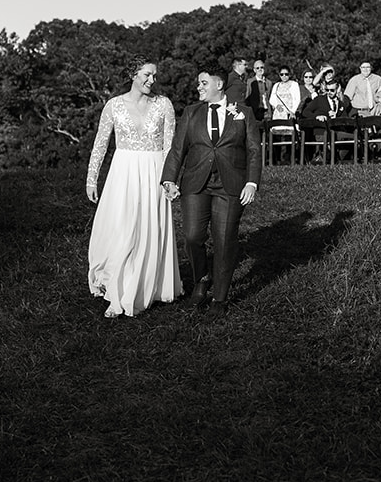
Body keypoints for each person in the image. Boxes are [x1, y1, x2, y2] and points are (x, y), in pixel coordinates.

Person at [161, 67, 261, 318]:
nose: (199, 88)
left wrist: (251, 183)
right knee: (193, 236)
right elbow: (177, 149)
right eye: (198, 84)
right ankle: (202, 278)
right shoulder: (191, 113)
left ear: (219, 85)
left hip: (230, 185)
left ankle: (220, 297)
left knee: (225, 240)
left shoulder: (243, 113)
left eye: (203, 83)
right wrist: (168, 179)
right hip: (195, 183)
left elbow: (254, 151)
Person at [85, 62, 182, 318]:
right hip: (123, 174)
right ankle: (117, 290)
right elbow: (100, 145)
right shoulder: (114, 105)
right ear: (133, 75)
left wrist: (170, 180)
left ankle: (143, 287)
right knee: (122, 229)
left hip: (153, 172)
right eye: (147, 74)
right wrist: (91, 179)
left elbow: (170, 148)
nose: (152, 80)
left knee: (148, 229)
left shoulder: (164, 105)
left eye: (155, 75)